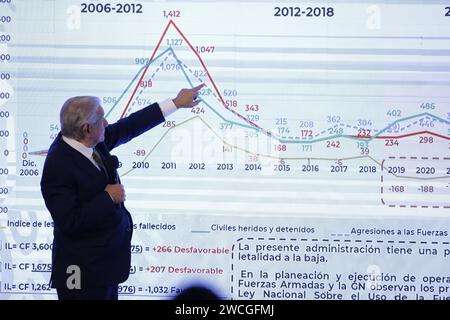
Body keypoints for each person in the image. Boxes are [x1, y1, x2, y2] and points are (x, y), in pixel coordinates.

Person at [40, 84, 204, 300]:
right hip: (82, 274)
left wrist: (175, 103)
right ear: (87, 128)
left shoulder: (88, 140)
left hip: (102, 267)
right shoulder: (58, 166)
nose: (107, 124)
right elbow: (70, 221)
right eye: (102, 120)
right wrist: (108, 197)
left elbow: (128, 127)